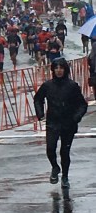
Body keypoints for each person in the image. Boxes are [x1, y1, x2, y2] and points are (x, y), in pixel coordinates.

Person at [34, 57, 87, 188]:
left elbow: (82, 104)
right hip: (53, 122)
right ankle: (55, 167)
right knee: (50, 149)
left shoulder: (72, 86)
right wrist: (40, 114)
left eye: (61, 68)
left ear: (65, 69)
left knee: (65, 151)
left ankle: (65, 177)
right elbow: (37, 99)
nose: (58, 71)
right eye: (56, 68)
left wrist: (76, 117)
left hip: (68, 123)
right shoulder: (47, 85)